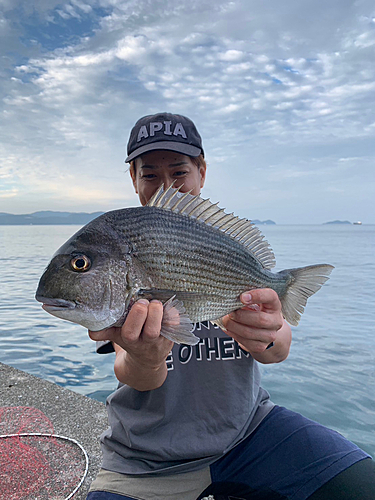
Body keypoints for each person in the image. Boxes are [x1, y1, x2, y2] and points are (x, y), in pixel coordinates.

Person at [87, 113, 374, 500]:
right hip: (146, 459)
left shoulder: (226, 243)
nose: (166, 186)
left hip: (250, 433)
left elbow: (279, 346)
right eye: (150, 175)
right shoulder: (124, 249)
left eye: (179, 171)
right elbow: (133, 373)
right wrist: (147, 357)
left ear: (201, 171)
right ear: (134, 179)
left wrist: (266, 335)